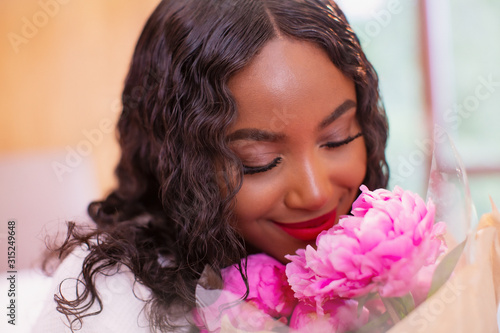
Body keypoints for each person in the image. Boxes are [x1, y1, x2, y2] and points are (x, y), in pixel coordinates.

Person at [35, 0, 389, 331]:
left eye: (337, 139)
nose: (315, 193)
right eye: (259, 163)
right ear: (177, 162)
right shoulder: (115, 292)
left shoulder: (394, 255)